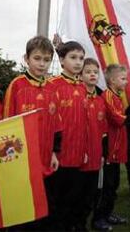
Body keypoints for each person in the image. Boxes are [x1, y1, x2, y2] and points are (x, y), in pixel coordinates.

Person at [3, 35, 62, 229]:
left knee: (43, 204)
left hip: (45, 157)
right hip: (22, 159)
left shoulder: (53, 89)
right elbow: (6, 123)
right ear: (26, 59)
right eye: (37, 58)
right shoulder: (17, 85)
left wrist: (54, 151)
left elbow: (56, 124)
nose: (42, 64)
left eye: (46, 60)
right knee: (21, 207)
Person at [50, 41, 87, 230]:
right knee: (57, 198)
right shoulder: (52, 85)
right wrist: (53, 151)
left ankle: (72, 225)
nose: (78, 62)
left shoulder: (83, 87)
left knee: (75, 196)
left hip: (79, 154)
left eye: (81, 58)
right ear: (62, 60)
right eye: (73, 57)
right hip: (60, 155)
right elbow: (49, 123)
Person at [93, 64, 129, 230]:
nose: (126, 82)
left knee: (113, 184)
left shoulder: (117, 95)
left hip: (117, 149)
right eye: (123, 78)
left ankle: (108, 213)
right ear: (113, 80)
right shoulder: (107, 95)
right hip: (109, 150)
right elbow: (117, 118)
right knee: (107, 185)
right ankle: (98, 218)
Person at [77, 58, 110, 231]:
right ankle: (75, 224)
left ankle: (84, 223)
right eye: (88, 71)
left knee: (91, 193)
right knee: (77, 193)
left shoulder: (100, 101)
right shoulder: (77, 98)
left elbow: (103, 131)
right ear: (81, 75)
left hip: (96, 157)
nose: (92, 75)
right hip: (79, 157)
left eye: (95, 72)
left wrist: (103, 154)